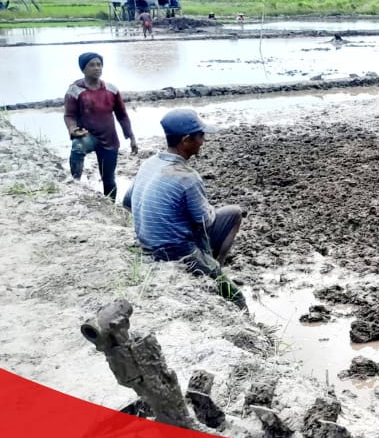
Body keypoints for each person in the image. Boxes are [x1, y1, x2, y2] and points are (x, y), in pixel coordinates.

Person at [122, 108, 246, 308]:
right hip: (175, 252)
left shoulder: (149, 164)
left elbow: (127, 202)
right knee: (237, 299)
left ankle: (210, 265)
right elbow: (206, 221)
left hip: (146, 242)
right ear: (187, 140)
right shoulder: (187, 177)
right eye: (201, 136)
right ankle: (214, 269)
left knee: (232, 213)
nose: (203, 141)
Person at [64, 52, 138, 200]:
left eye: (99, 65)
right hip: (88, 136)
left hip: (109, 139)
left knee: (109, 179)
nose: (96, 68)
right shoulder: (75, 90)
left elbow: (122, 115)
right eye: (92, 65)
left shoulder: (111, 89)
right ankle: (75, 182)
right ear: (83, 69)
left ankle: (110, 205)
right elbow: (69, 115)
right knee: (78, 146)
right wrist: (73, 129)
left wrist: (131, 137)